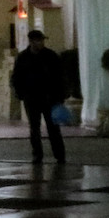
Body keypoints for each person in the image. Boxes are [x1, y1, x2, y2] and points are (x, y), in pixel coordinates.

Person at [10, 28, 67, 164]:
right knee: (34, 128)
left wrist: (60, 96)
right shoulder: (24, 57)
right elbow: (17, 77)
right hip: (32, 98)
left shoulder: (50, 56)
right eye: (38, 40)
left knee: (53, 128)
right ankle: (38, 155)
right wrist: (20, 93)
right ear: (31, 42)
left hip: (49, 97)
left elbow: (59, 76)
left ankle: (59, 155)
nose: (41, 43)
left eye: (41, 40)